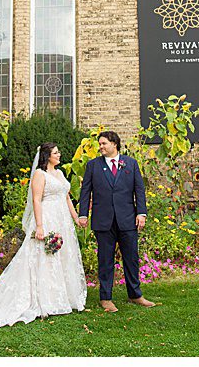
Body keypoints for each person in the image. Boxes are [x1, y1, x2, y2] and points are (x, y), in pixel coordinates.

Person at [0, 142, 87, 326]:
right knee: (43, 256)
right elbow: (36, 200)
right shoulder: (40, 174)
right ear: (47, 156)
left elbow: (66, 196)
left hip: (63, 220)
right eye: (56, 152)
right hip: (47, 217)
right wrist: (39, 226)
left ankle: (63, 296)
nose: (59, 154)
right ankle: (44, 299)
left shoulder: (60, 174)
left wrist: (76, 218)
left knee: (61, 256)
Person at [77, 130, 155, 311]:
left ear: (114, 144)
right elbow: (85, 191)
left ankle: (135, 294)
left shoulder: (131, 164)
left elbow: (139, 190)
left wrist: (141, 213)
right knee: (105, 260)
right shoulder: (93, 166)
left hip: (127, 219)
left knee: (131, 258)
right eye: (100, 144)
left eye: (104, 143)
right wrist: (82, 214)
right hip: (103, 221)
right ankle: (105, 298)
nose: (101, 147)